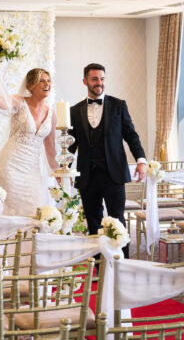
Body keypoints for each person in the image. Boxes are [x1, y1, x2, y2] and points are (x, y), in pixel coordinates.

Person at [68, 63, 147, 258]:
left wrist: (141, 159)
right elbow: (70, 144)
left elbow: (131, 135)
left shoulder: (118, 105)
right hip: (87, 175)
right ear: (85, 81)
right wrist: (66, 169)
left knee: (117, 220)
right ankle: (98, 266)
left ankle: (123, 262)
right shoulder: (74, 111)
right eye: (95, 79)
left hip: (114, 174)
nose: (99, 83)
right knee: (93, 222)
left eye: (102, 79)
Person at [0, 54, 58, 216]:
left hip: (32, 169)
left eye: (49, 81)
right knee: (9, 208)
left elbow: (50, 149)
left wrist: (58, 173)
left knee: (34, 208)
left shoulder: (51, 113)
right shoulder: (19, 102)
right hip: (11, 165)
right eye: (42, 80)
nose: (47, 84)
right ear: (30, 85)